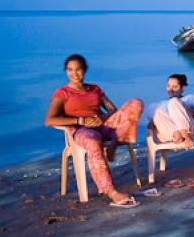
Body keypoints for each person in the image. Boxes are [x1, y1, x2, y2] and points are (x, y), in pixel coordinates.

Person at [45, 54, 144, 207]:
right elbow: (50, 120)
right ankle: (111, 191)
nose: (74, 74)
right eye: (70, 70)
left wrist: (102, 117)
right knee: (93, 142)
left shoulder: (95, 89)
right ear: (66, 71)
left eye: (78, 70)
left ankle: (114, 144)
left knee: (136, 104)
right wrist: (80, 120)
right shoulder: (62, 93)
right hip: (82, 130)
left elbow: (113, 110)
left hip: (103, 126)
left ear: (84, 70)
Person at [144, 74, 194, 147]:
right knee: (153, 107)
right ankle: (176, 134)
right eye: (168, 86)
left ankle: (184, 136)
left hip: (191, 134)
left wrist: (188, 112)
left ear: (182, 88)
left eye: (174, 87)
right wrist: (155, 120)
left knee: (174, 102)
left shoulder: (191, 98)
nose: (170, 90)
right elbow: (151, 125)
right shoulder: (164, 103)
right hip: (168, 135)